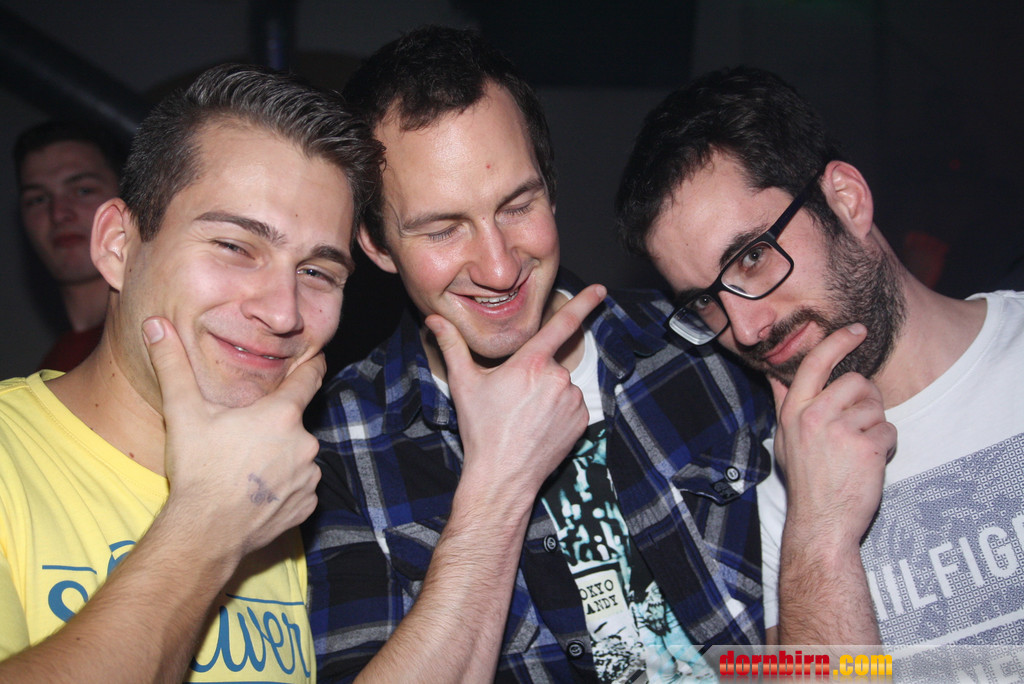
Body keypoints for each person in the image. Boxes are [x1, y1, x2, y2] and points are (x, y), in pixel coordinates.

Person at [304, 27, 775, 682]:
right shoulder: (338, 447)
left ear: (550, 188)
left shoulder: (701, 345)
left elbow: (840, 659)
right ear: (378, 245)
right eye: (443, 229)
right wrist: (499, 482)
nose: (499, 268)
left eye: (517, 205)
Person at [616, 65, 1024, 647]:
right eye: (705, 301)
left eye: (752, 257)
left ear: (846, 201)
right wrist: (820, 533)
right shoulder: (770, 492)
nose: (746, 328)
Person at [0, 63, 382, 682]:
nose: (283, 312)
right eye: (234, 246)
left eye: (317, 272)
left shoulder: (289, 486)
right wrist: (209, 524)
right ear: (119, 246)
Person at [14, 120, 126, 371]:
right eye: (38, 199)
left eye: (83, 190)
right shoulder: (54, 366)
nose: (58, 214)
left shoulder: (159, 335)